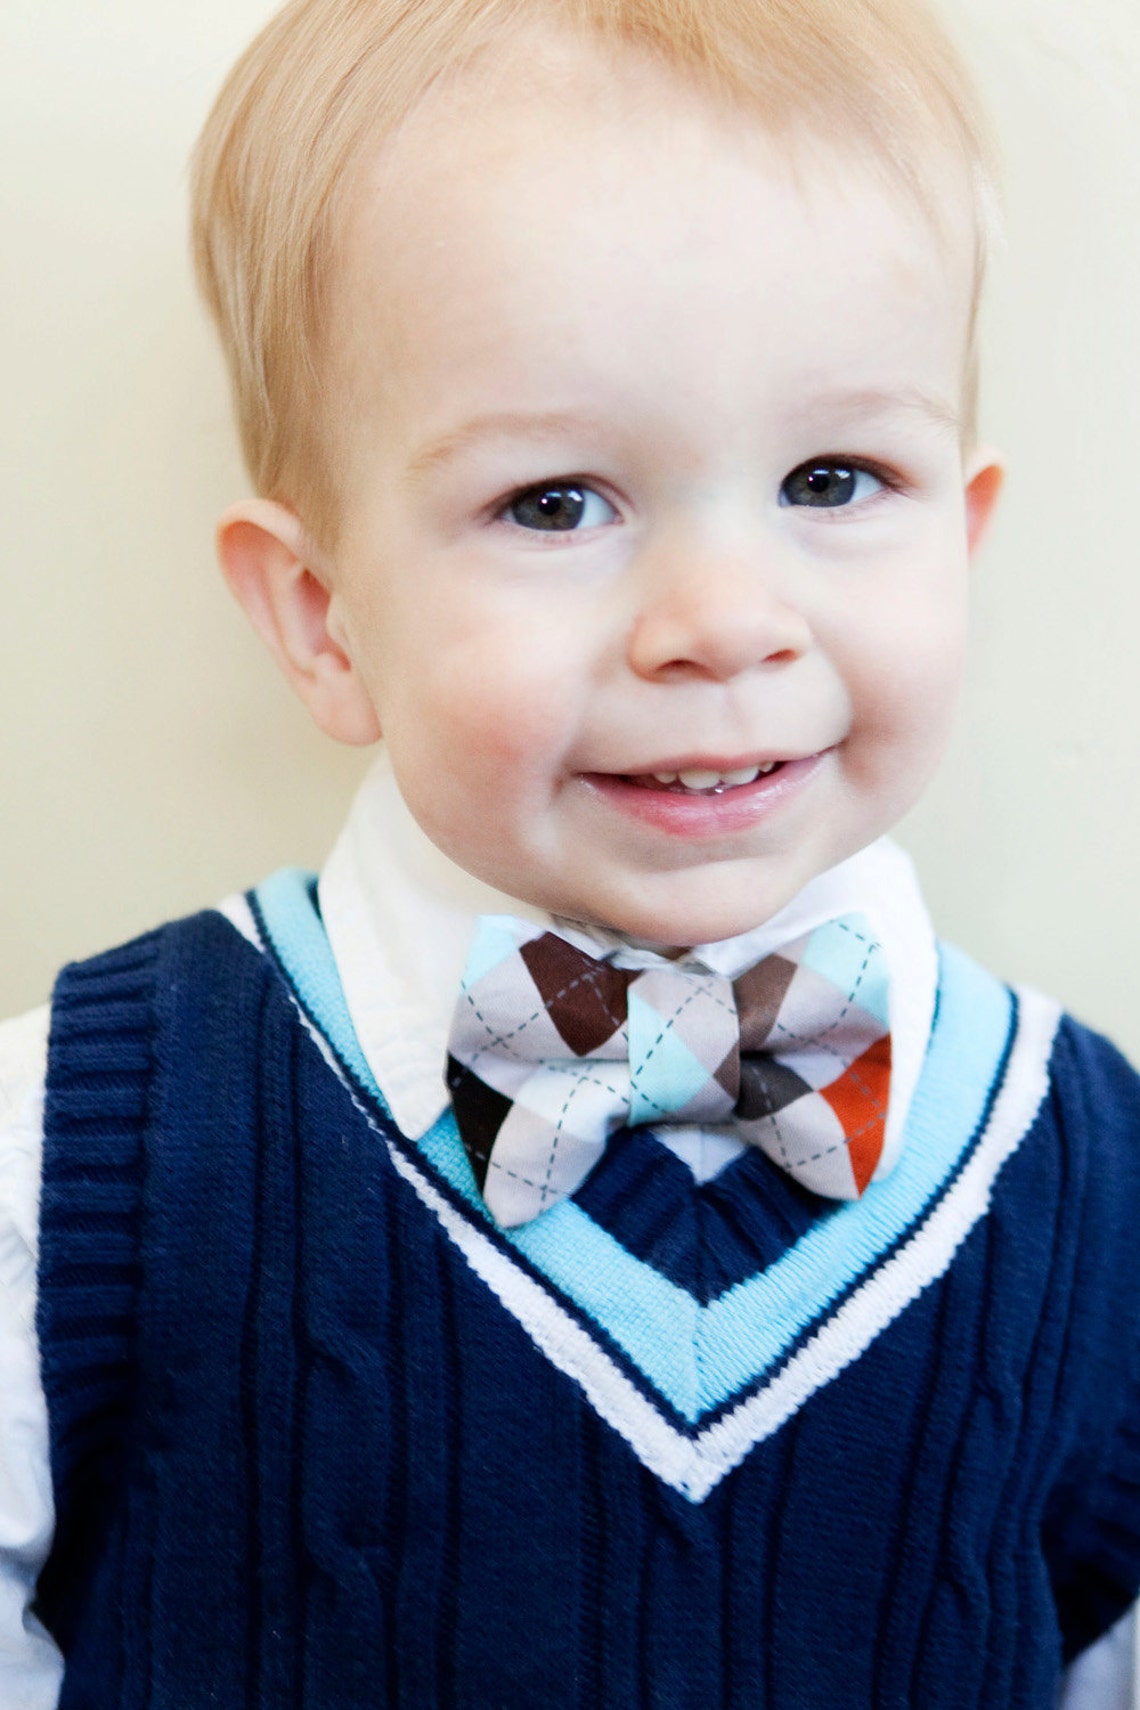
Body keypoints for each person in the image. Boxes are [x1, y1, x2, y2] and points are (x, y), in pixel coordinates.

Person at [2, 0, 1139, 1703]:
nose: (723, 622)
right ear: (324, 621)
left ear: (962, 540)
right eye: (556, 503)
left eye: (835, 476)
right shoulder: (81, 1144)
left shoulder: (1096, 1177)